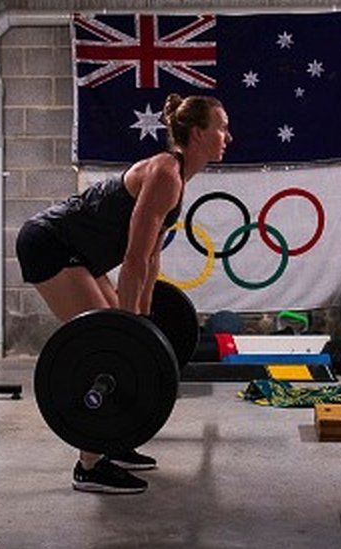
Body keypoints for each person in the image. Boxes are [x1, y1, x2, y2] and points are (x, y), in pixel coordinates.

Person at [16, 94, 232, 494]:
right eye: (221, 128)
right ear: (199, 134)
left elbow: (151, 261)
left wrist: (143, 321)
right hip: (49, 243)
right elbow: (132, 260)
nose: (228, 137)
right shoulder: (167, 172)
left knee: (118, 334)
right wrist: (131, 337)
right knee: (105, 348)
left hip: (80, 255)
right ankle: (90, 466)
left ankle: (110, 441)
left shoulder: (178, 177)